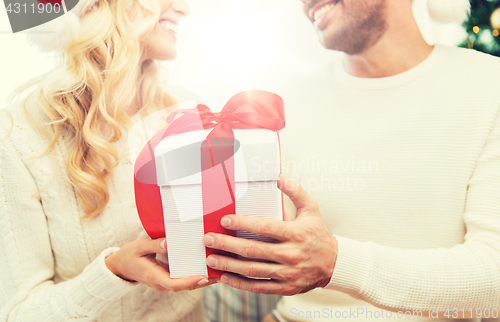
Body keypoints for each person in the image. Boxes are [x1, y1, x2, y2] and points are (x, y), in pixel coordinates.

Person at [200, 0, 500, 321]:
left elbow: (493, 277)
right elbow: (264, 247)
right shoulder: (286, 103)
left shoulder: (489, 87)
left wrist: (335, 262)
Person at [0, 0, 215, 321]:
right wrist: (114, 271)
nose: (183, 8)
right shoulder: (19, 135)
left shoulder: (186, 108)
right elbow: (19, 313)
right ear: (98, 5)